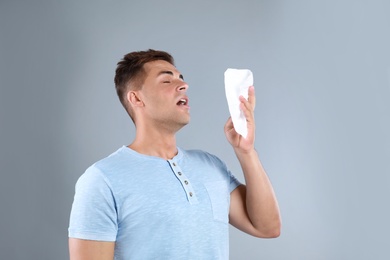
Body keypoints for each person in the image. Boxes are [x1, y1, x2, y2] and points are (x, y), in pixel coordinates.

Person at [68, 49, 281, 259]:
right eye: (166, 81)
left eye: (181, 78)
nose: (184, 85)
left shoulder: (211, 166)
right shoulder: (102, 179)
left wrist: (246, 152)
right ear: (136, 99)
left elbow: (267, 227)